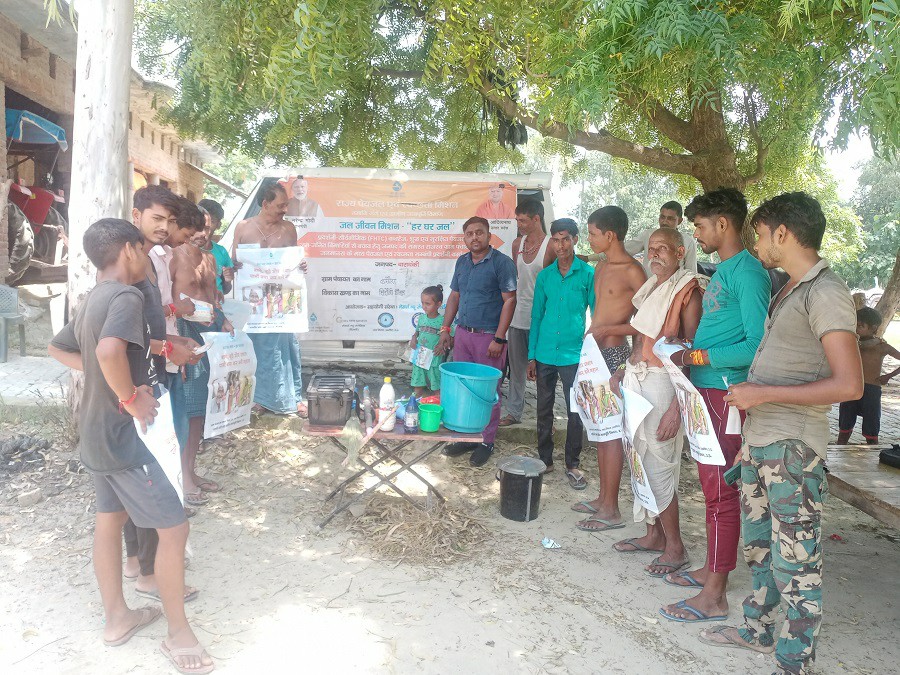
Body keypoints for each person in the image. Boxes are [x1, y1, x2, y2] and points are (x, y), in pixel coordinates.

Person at [702, 192, 864, 675]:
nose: (756, 243)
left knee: (796, 560)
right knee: (761, 549)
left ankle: (794, 660)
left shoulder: (825, 291)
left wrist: (762, 393)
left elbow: (850, 384)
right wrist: (753, 419)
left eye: (760, 233)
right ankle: (758, 630)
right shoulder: (790, 287)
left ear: (782, 233)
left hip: (793, 449)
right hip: (762, 444)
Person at [48, 219, 214, 675]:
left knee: (110, 518)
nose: (146, 259)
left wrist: (155, 351)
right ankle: (178, 634)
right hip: (127, 436)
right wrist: (128, 396)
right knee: (174, 530)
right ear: (128, 250)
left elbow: (61, 348)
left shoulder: (94, 296)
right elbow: (107, 352)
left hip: (96, 431)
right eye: (142, 250)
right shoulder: (127, 296)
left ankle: (117, 618)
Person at [656, 188, 771, 624]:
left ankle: (715, 596)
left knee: (721, 493)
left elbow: (755, 345)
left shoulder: (750, 274)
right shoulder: (725, 270)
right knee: (711, 490)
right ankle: (710, 569)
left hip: (726, 395)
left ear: (723, 224)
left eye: (700, 226)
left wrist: (697, 356)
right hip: (705, 392)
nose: (697, 235)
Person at [607, 228, 702, 577]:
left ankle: (675, 547)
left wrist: (678, 409)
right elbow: (641, 340)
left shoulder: (688, 290)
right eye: (651, 248)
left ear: (680, 252)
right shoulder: (652, 287)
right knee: (639, 458)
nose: (655, 254)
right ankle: (653, 535)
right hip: (637, 378)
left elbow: (691, 352)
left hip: (663, 384)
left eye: (663, 248)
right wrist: (623, 368)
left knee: (660, 464)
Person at [127, 186, 204, 603]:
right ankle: (149, 573)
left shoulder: (151, 258)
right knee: (150, 475)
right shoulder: (133, 264)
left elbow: (145, 330)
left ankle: (138, 562)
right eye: (158, 219)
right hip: (140, 384)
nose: (164, 228)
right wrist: (128, 391)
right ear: (136, 216)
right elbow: (120, 337)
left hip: (146, 374)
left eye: (169, 221)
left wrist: (167, 345)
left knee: (137, 472)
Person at [573, 206, 646, 531]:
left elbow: (648, 322)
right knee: (599, 431)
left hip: (615, 355)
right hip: (593, 355)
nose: (589, 239)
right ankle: (603, 500)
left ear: (610, 235)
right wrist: (596, 333)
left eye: (592, 233)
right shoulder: (601, 266)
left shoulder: (633, 271)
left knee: (612, 433)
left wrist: (609, 331)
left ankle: (612, 510)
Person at [437, 216, 517, 466]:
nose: (474, 237)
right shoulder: (462, 261)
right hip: (463, 335)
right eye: (469, 233)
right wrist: (446, 329)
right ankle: (466, 437)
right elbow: (454, 296)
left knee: (488, 391)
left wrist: (499, 338)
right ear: (464, 237)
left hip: (488, 338)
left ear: (489, 236)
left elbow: (510, 300)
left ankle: (486, 441)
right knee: (463, 388)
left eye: (479, 232)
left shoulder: (502, 263)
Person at [172, 200, 233, 506]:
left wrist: (223, 317)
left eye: (206, 228)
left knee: (199, 411)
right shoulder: (172, 257)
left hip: (209, 337)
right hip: (182, 336)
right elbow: (170, 304)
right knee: (185, 408)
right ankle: (181, 477)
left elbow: (212, 300)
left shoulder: (210, 259)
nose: (200, 234)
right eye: (195, 228)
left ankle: (190, 471)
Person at [527, 218, 595, 487]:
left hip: (573, 355)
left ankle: (572, 463)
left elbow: (597, 315)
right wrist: (531, 355)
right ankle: (545, 460)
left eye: (565, 239)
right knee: (543, 408)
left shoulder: (588, 274)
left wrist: (592, 354)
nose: (560, 245)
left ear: (575, 239)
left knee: (574, 410)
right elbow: (536, 317)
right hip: (544, 352)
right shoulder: (545, 276)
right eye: (555, 240)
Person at [232, 182, 308, 417]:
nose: (285, 210)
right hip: (254, 305)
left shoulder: (288, 229)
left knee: (284, 349)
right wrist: (235, 266)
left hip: (281, 304)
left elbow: (293, 261)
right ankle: (259, 400)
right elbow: (234, 260)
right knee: (257, 349)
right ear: (265, 204)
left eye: (286, 205)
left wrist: (300, 266)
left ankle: (292, 398)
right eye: (281, 205)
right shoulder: (243, 227)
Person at [500, 198, 555, 427]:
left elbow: (555, 284)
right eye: (517, 220)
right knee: (517, 368)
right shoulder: (517, 244)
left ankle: (545, 418)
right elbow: (517, 278)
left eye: (523, 221)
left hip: (542, 318)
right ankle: (514, 412)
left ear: (536, 219)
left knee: (544, 369)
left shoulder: (551, 245)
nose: (519, 225)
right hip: (518, 315)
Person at [837, 306, 899, 444]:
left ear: (873, 328)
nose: (856, 329)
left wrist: (888, 376)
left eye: (861, 326)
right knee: (844, 427)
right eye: (855, 325)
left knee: (871, 430)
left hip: (871, 390)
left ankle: (873, 453)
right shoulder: (853, 343)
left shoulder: (882, 346)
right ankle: (839, 450)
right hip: (851, 388)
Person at [625, 201, 698, 274]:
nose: (664, 222)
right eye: (662, 217)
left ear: (679, 221)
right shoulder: (648, 235)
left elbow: (691, 272)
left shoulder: (688, 241)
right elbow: (624, 251)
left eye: (670, 218)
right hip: (647, 281)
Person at [409, 285, 447, 397]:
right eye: (422, 303)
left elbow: (450, 338)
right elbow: (417, 332)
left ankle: (438, 405)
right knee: (418, 384)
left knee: (436, 386)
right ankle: (414, 403)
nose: (424, 306)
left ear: (438, 304)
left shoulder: (443, 321)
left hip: (434, 359)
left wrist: (442, 346)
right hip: (420, 357)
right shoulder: (421, 318)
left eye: (428, 303)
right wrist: (413, 338)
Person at [197, 198, 235, 295]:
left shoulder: (222, 252)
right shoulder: (185, 250)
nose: (206, 224)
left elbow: (226, 290)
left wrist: (227, 280)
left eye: (212, 221)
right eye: (202, 220)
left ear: (219, 225)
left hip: (217, 302)